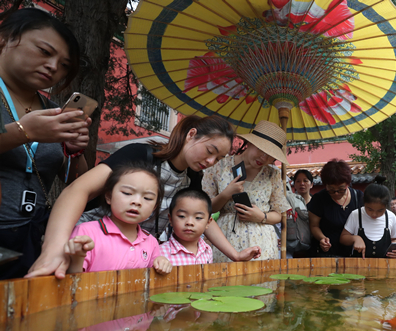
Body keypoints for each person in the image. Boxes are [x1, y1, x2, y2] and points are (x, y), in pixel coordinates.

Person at [26, 115, 261, 279]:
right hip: (91, 248)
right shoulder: (139, 154)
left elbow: (203, 219)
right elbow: (77, 190)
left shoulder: (193, 178)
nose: (210, 162)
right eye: (210, 151)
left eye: (218, 159)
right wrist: (53, 250)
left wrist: (235, 255)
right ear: (191, 134)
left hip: (139, 255)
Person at [0, 8, 91, 279]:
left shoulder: (54, 112)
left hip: (33, 237)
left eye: (64, 64)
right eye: (44, 51)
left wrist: (75, 152)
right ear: (4, 38)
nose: (53, 67)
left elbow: (77, 183)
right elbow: (23, 134)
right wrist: (23, 131)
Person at [203, 120, 291, 262]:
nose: (264, 158)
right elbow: (205, 209)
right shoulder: (219, 166)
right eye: (261, 150)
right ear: (249, 143)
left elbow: (279, 214)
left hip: (263, 245)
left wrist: (261, 216)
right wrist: (226, 194)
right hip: (226, 241)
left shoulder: (272, 174)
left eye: (270, 155)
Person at [64, 161, 172, 274]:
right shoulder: (86, 232)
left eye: (147, 198)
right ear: (109, 196)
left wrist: (162, 263)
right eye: (127, 193)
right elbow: (72, 283)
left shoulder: (151, 242)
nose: (137, 202)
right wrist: (77, 259)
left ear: (154, 207)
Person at [308, 159, 363, 257]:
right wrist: (322, 238)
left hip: (353, 253)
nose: (336, 193)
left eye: (341, 189)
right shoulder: (319, 199)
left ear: (347, 183)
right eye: (331, 190)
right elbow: (314, 226)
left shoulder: (359, 197)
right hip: (327, 254)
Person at [340, 178, 396, 258]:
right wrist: (355, 238)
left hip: (384, 266)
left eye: (380, 210)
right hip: (359, 266)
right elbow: (343, 238)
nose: (374, 214)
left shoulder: (391, 217)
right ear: (364, 203)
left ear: (386, 206)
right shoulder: (356, 214)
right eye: (370, 209)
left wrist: (395, 251)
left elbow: (394, 239)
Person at [159, 188, 213, 266]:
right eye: (182, 216)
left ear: (208, 222)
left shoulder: (207, 250)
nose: (189, 223)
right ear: (170, 219)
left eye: (198, 217)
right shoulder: (160, 252)